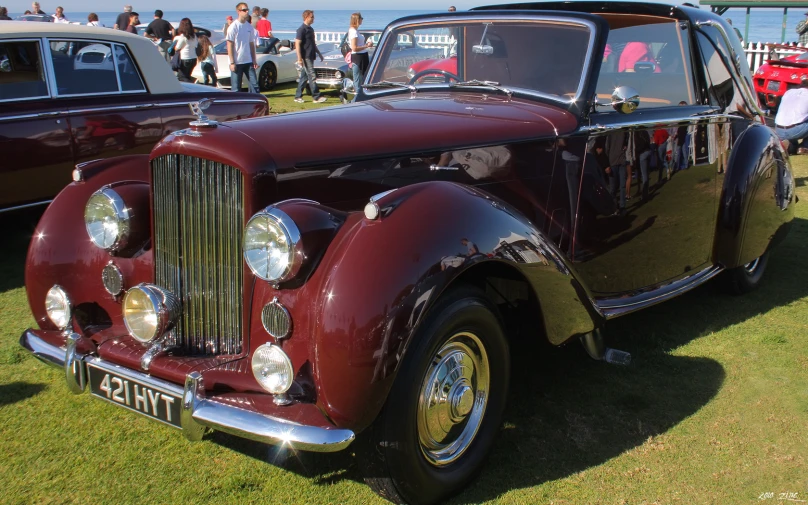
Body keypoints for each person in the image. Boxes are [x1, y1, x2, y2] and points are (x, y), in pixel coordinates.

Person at [295, 10, 327, 103]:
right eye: (311, 17)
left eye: (313, 17)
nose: (313, 18)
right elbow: (297, 44)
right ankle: (316, 96)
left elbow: (313, 43)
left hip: (311, 55)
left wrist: (319, 53)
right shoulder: (301, 29)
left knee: (304, 77)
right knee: (312, 75)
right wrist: (299, 58)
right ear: (306, 17)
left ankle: (297, 96)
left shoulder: (311, 29)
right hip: (306, 56)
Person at [227, 2, 258, 92]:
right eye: (244, 10)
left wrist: (254, 60)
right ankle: (235, 105)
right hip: (237, 62)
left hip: (248, 61)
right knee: (236, 88)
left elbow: (251, 44)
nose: (247, 12)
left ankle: (256, 105)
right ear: (238, 11)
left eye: (247, 10)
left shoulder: (249, 27)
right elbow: (229, 44)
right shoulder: (233, 27)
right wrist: (232, 62)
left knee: (254, 86)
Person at [774, 75, 808, 154]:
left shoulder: (789, 92)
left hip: (778, 129)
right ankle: (805, 146)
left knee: (794, 145)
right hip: (795, 129)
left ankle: (790, 147)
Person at [347, 12, 373, 93]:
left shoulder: (356, 31)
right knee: (358, 79)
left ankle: (362, 94)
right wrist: (366, 46)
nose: (362, 20)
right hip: (358, 57)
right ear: (357, 20)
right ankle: (357, 98)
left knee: (363, 78)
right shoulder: (353, 32)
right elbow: (354, 47)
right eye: (361, 18)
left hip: (362, 56)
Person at [173, 18, 198, 82]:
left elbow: (177, 48)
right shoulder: (194, 36)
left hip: (185, 58)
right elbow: (196, 45)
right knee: (188, 75)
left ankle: (189, 89)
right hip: (193, 58)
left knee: (182, 77)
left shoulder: (183, 36)